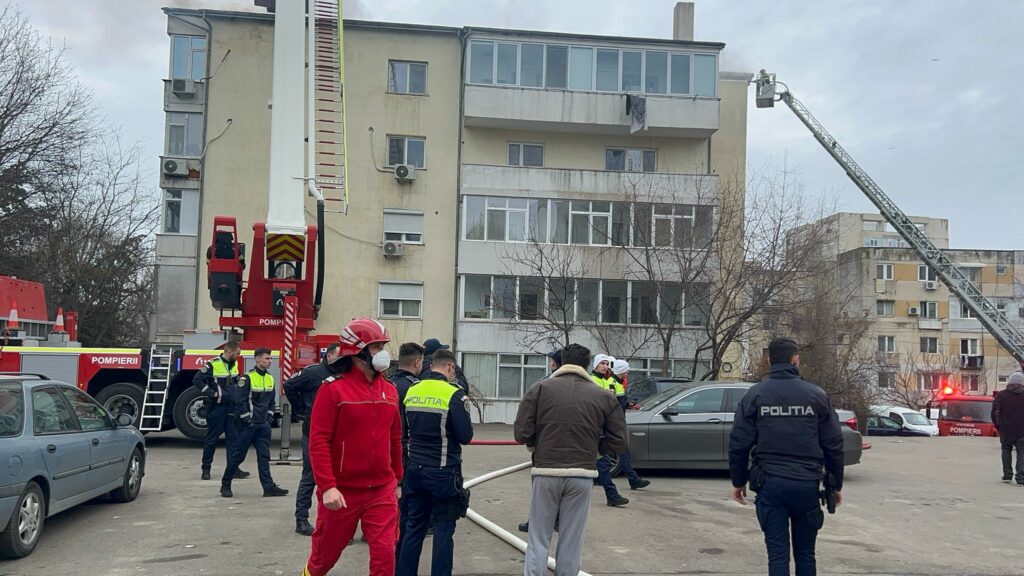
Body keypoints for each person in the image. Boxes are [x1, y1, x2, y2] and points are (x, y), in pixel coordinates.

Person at [728, 338, 845, 576]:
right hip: (806, 485)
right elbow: (833, 444)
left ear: (769, 361)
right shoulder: (816, 395)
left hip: (771, 486)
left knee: (777, 555)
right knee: (806, 554)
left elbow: (739, 443)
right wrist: (835, 484)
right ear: (795, 360)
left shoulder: (755, 395)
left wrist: (738, 481)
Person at [515, 343, 628, 576]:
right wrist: (595, 451)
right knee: (571, 540)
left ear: (560, 361)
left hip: (546, 472)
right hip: (582, 474)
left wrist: (536, 444)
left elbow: (521, 433)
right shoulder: (603, 395)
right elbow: (619, 440)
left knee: (538, 538)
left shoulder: (539, 389)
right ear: (588, 365)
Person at [302, 318, 403, 576]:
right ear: (357, 351)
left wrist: (398, 479)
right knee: (322, 560)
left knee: (385, 558)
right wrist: (327, 487)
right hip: (342, 493)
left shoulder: (390, 391)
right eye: (375, 346)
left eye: (383, 345)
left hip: (381, 491)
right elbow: (318, 441)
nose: (382, 352)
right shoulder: (333, 390)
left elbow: (395, 439)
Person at [396, 349, 474, 576]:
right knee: (443, 529)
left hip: (414, 471)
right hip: (443, 472)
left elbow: (403, 432)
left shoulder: (413, 390)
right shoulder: (455, 394)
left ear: (431, 366)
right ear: (450, 368)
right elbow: (465, 436)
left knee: (414, 528)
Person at [284, 343, 340, 536]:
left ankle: (335, 520)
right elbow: (289, 385)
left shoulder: (343, 373)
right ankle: (301, 519)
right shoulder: (314, 373)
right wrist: (301, 409)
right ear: (330, 356)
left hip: (336, 434)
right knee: (311, 475)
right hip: (313, 431)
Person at [220, 347, 289, 498]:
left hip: (263, 426)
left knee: (264, 457)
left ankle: (268, 487)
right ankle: (226, 484)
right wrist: (247, 419)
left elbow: (271, 401)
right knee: (238, 456)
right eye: (266, 358)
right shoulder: (247, 378)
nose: (269, 361)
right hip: (248, 426)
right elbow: (240, 401)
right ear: (257, 359)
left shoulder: (270, 378)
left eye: (270, 359)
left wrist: (270, 417)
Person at [518, 350, 562, 534]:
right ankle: (558, 520)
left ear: (555, 363)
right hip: (573, 448)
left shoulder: (543, 385)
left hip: (545, 446)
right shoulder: (585, 386)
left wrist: (530, 443)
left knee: (541, 487)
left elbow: (528, 418)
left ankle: (537, 521)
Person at [193, 341, 249, 481]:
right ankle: (206, 469)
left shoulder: (234, 364)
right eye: (237, 353)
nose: (238, 356)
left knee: (233, 440)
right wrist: (212, 393)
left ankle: (233, 468)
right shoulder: (213, 364)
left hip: (231, 407)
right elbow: (197, 380)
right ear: (229, 352)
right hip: (217, 408)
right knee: (212, 440)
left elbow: (236, 382)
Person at [389, 342, 423, 565]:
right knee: (407, 512)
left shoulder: (386, 384)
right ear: (418, 362)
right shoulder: (416, 387)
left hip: (383, 452)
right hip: (406, 453)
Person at [591, 354, 630, 507]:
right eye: (602, 364)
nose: (605, 366)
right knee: (602, 462)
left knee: (602, 462)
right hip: (595, 425)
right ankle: (612, 494)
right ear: (595, 366)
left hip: (601, 425)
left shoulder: (605, 380)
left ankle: (611, 494)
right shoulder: (593, 380)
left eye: (607, 364)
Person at [608, 360, 650, 491]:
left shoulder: (618, 383)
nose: (628, 372)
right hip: (615, 421)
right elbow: (613, 404)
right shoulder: (613, 383)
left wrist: (629, 404)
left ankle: (633, 479)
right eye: (626, 370)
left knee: (622, 451)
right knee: (623, 451)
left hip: (617, 420)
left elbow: (619, 402)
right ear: (621, 371)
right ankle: (633, 479)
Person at [992, 371, 1024, 486]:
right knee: (1022, 453)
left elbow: (994, 412)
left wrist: (998, 426)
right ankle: (1021, 478)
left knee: (1006, 450)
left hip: (1005, 429)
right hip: (1022, 431)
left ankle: (1007, 475)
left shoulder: (1001, 395)